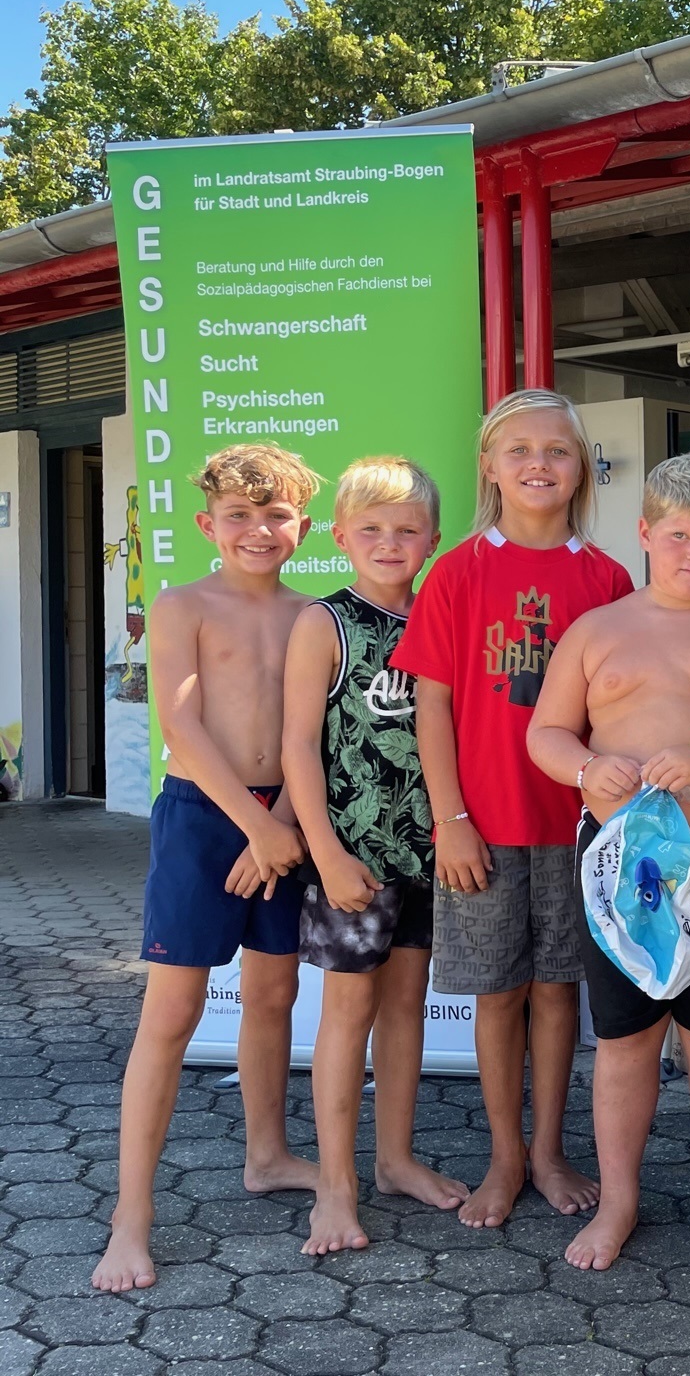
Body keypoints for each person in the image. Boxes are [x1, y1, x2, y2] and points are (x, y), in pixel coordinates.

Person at [526, 454, 690, 1270]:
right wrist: (581, 769)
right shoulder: (598, 629)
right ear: (644, 534)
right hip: (620, 865)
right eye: (677, 536)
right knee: (626, 1039)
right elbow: (546, 732)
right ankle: (622, 1198)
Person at [394, 389, 634, 1228]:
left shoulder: (606, 578)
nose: (539, 464)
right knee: (497, 993)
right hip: (483, 827)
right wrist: (450, 818)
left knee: (560, 989)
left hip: (575, 825)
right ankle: (502, 1154)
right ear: (490, 466)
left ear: (581, 469)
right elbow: (431, 706)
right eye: (520, 450)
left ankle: (550, 1152)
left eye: (558, 451)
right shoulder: (457, 572)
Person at [93, 444, 322, 1292]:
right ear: (206, 525)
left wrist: (284, 824)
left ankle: (266, 1154)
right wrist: (254, 827)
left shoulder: (312, 614)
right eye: (239, 516)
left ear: (304, 526)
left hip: (282, 817)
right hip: (205, 818)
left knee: (273, 994)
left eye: (276, 516)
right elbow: (181, 730)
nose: (258, 530)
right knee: (174, 1010)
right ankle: (131, 1216)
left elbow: (315, 734)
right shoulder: (183, 603)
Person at [282, 456, 469, 1256]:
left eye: (406, 530)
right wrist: (323, 853)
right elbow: (296, 746)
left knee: (405, 1006)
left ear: (432, 538)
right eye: (371, 530)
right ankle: (335, 1183)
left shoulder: (442, 617)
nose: (389, 543)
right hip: (353, 858)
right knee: (347, 1014)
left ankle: (394, 1159)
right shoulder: (325, 623)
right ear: (341, 536)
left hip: (427, 854)